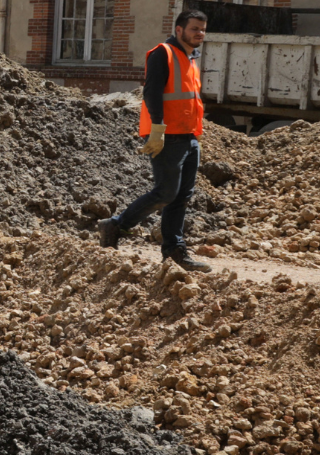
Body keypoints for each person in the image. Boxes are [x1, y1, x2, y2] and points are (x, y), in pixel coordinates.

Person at [99, 11, 212, 273]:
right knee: (166, 192)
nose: (200, 33)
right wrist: (158, 128)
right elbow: (152, 92)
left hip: (188, 136)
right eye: (195, 28)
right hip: (168, 135)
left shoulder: (190, 57)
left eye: (203, 29)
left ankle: (174, 251)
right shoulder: (163, 53)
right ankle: (116, 225)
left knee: (181, 196)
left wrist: (195, 135)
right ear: (179, 30)